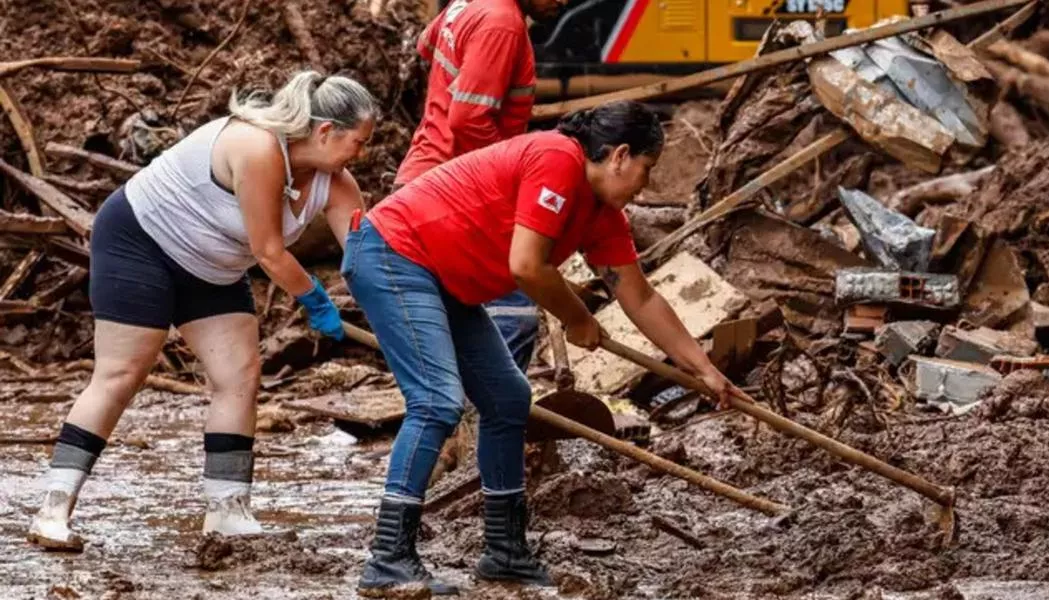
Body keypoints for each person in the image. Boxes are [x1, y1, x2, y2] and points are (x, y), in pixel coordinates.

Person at [345, 100, 746, 597]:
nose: (645, 185)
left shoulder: (602, 215)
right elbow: (527, 266)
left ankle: (504, 551)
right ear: (620, 155)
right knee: (436, 401)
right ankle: (388, 558)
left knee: (508, 399)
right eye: (647, 168)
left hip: (444, 279)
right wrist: (577, 318)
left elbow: (640, 297)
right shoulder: (557, 158)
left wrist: (704, 368)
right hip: (394, 254)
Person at [26, 71, 378, 552]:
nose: (362, 154)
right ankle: (52, 509)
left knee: (240, 376)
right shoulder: (258, 148)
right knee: (121, 373)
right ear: (325, 132)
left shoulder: (336, 185)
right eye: (359, 142)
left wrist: (393, 312)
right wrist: (315, 299)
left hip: (212, 265)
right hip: (141, 242)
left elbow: (366, 256)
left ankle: (227, 510)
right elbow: (269, 251)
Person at [396, 0, 568, 371]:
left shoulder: (470, 5)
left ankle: (461, 401)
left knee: (455, 322)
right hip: (457, 193)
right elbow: (468, 119)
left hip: (424, 175)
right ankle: (486, 406)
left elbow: (426, 44)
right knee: (512, 315)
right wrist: (506, 177)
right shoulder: (502, 23)